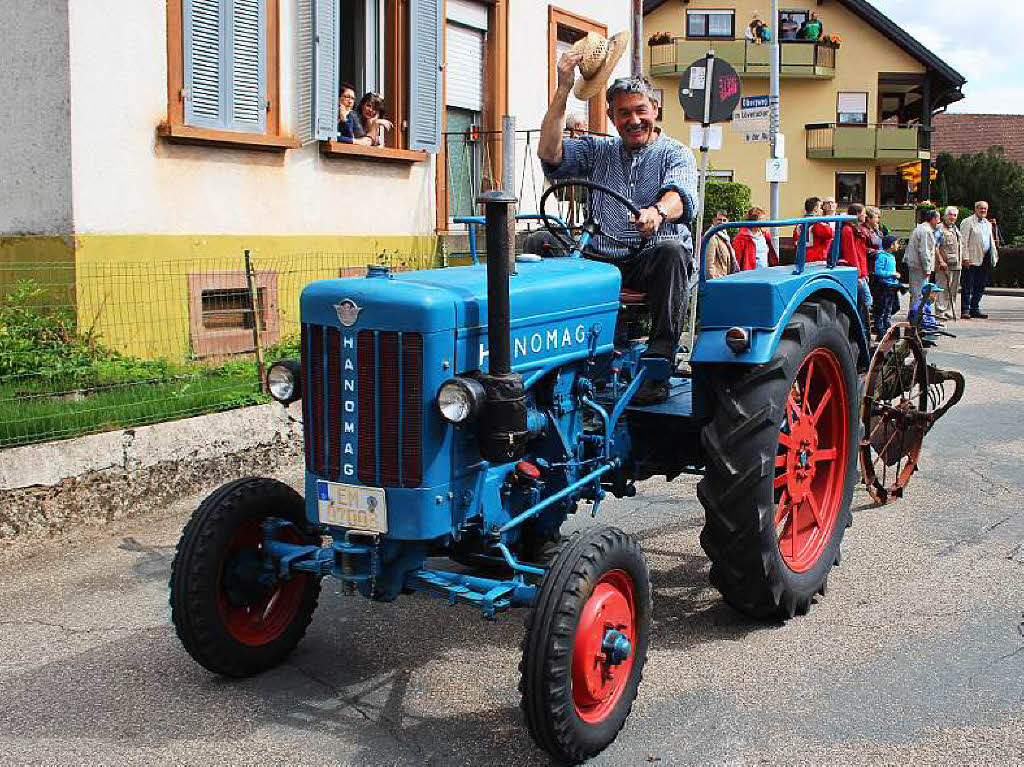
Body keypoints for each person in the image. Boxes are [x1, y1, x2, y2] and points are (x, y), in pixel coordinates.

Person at [534, 60, 697, 404]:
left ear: (655, 109)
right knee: (538, 244)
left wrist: (657, 212)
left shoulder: (675, 153)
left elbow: (679, 196)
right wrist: (564, 89)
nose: (634, 120)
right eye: (623, 113)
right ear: (611, 117)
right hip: (600, 258)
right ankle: (546, 358)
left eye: (640, 110)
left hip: (647, 258)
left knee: (672, 252)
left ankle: (659, 363)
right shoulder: (598, 151)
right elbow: (549, 153)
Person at [959, 200, 1000, 319]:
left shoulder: (987, 223)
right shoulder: (967, 222)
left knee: (980, 285)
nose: (983, 211)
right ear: (975, 209)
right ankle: (965, 310)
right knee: (968, 285)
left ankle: (974, 308)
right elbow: (963, 242)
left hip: (985, 257)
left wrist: (994, 255)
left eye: (985, 209)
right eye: (981, 208)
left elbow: (990, 240)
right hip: (971, 258)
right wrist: (965, 258)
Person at [904, 209, 940, 307]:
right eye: (938, 219)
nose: (938, 222)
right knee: (918, 291)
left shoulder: (921, 228)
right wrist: (927, 268)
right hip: (919, 265)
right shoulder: (926, 230)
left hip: (915, 264)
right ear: (932, 219)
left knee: (916, 291)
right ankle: (916, 315)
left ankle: (914, 313)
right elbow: (925, 251)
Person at [935, 206, 962, 320]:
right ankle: (940, 311)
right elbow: (935, 246)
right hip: (944, 264)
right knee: (942, 287)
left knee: (953, 289)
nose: (952, 217)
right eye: (950, 214)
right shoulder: (940, 228)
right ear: (945, 216)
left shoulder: (955, 228)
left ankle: (949, 310)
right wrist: (940, 260)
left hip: (956, 264)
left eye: (955, 215)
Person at [793, 196, 834, 262]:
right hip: (816, 259)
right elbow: (830, 233)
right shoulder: (817, 223)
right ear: (815, 209)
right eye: (820, 207)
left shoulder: (799, 223)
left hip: (801, 259)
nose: (822, 210)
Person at [706, 211, 740, 279]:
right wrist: (713, 280)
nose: (722, 222)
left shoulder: (725, 237)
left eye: (724, 220)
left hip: (724, 278)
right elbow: (709, 264)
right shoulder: (711, 237)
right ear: (714, 220)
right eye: (719, 220)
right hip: (717, 281)